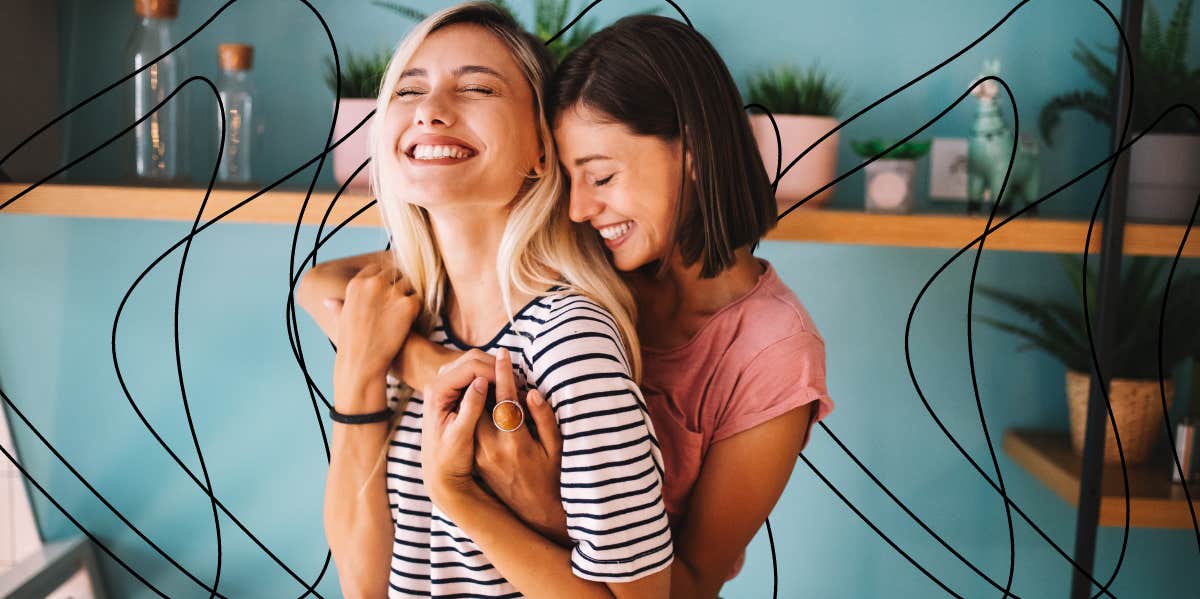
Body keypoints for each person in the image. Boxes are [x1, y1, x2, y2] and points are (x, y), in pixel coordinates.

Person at [304, 13, 834, 599]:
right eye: (570, 175)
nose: (579, 208)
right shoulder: (600, 253)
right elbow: (323, 284)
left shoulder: (766, 349)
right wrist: (424, 369)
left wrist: (529, 498)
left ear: (694, 152)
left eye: (602, 177)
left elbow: (686, 583)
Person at [305, 3, 673, 597]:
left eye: (477, 87)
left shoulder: (569, 341)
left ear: (541, 150)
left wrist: (461, 492)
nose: (430, 111)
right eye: (408, 89)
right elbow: (364, 585)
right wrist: (364, 370)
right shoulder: (407, 316)